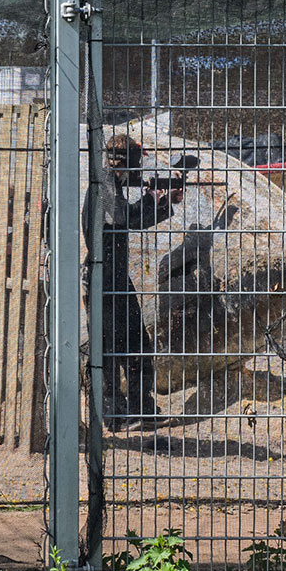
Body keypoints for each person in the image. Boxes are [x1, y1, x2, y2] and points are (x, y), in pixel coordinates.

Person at [83, 135, 183, 430]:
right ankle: (115, 416)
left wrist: (162, 201)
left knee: (137, 343)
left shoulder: (109, 182)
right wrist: (154, 198)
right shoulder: (102, 179)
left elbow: (127, 218)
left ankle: (141, 409)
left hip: (115, 279)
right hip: (102, 280)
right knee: (110, 351)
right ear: (125, 161)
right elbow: (124, 215)